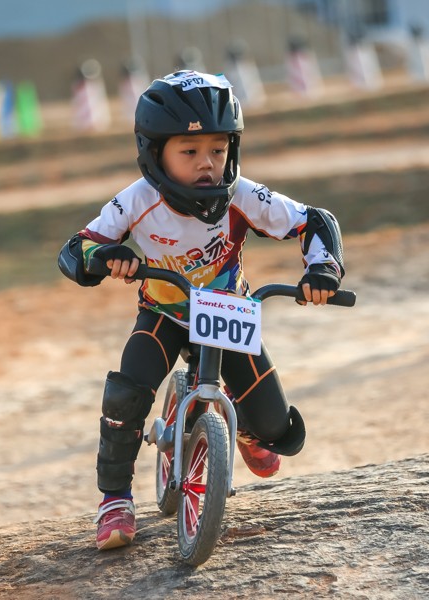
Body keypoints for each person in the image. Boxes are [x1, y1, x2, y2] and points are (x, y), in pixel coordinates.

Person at [57, 70, 344, 551]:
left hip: (229, 315)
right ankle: (114, 501)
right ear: (155, 152)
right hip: (163, 315)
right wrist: (105, 257)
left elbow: (313, 222)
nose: (206, 163)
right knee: (126, 396)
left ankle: (250, 431)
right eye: (188, 152)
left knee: (277, 428)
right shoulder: (137, 201)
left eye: (218, 148)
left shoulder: (244, 195)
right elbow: (77, 248)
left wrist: (323, 272)